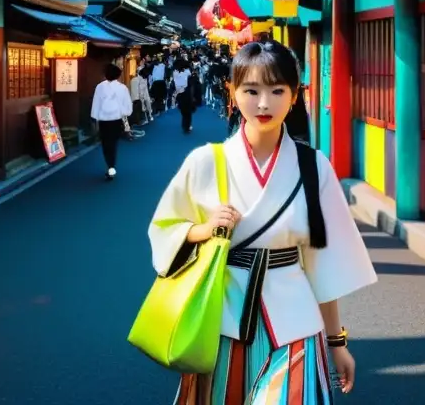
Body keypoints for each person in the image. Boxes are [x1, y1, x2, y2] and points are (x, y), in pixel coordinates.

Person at [147, 41, 377, 402]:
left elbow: (323, 266)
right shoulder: (205, 162)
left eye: (277, 90)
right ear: (232, 92)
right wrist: (204, 231)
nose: (264, 103)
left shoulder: (313, 167)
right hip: (221, 321)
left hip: (296, 323)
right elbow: (165, 230)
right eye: (251, 90)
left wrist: (337, 342)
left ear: (295, 94)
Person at [91, 63, 133, 179]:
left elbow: (96, 104)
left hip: (104, 120)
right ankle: (111, 166)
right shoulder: (122, 88)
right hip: (116, 120)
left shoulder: (100, 87)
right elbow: (127, 106)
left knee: (106, 144)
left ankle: (110, 165)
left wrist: (95, 117)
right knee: (113, 143)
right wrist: (125, 113)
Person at [172, 57, 194, 134]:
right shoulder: (187, 71)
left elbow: (176, 83)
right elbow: (190, 81)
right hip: (186, 92)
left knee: (183, 110)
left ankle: (185, 125)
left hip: (179, 92)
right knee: (187, 111)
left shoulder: (175, 72)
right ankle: (186, 125)